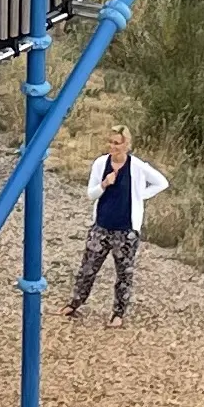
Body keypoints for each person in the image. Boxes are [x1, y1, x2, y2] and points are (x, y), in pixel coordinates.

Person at [68, 132, 168, 321]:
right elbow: (91, 194)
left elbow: (161, 183)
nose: (112, 147)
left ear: (126, 146)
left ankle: (118, 313)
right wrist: (104, 184)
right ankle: (74, 303)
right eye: (110, 142)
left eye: (117, 143)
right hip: (101, 226)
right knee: (88, 268)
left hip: (126, 230)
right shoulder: (100, 164)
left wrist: (140, 195)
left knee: (124, 273)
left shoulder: (137, 166)